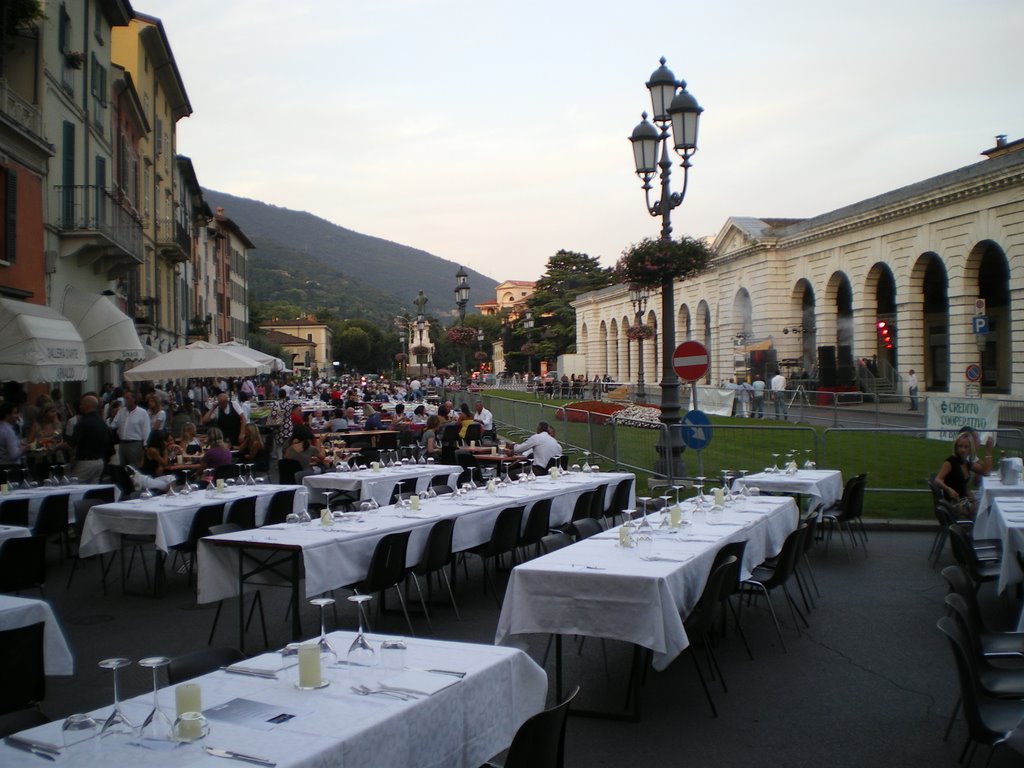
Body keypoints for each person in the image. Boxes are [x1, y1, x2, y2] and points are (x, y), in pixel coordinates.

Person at [935, 432, 994, 518]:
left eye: (966, 447)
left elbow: (985, 471)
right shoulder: (950, 462)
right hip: (954, 502)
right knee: (984, 509)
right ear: (956, 447)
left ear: (970, 449)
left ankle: (977, 529)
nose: (963, 450)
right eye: (960, 446)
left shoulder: (967, 462)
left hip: (964, 500)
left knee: (987, 504)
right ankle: (976, 530)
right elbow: (937, 480)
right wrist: (948, 490)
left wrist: (988, 452)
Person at [69, 394, 110, 483]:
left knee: (73, 485)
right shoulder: (102, 422)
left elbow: (72, 444)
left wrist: (59, 446)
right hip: (99, 461)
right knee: (93, 489)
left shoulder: (83, 422)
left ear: (87, 406)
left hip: (85, 462)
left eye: (81, 404)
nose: (79, 406)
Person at [110, 390, 150, 468]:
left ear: (134, 399)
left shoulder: (142, 413)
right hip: (122, 444)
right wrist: (112, 415)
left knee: (134, 468)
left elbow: (146, 430)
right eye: (125, 398)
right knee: (123, 468)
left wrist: (145, 445)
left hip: (134, 444)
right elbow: (113, 425)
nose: (125, 401)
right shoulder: (121, 411)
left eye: (127, 398)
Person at [0, 401, 25, 475]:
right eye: (15, 413)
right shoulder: (8, 431)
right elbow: (14, 454)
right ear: (7, 415)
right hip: (11, 467)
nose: (17, 416)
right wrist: (25, 448)